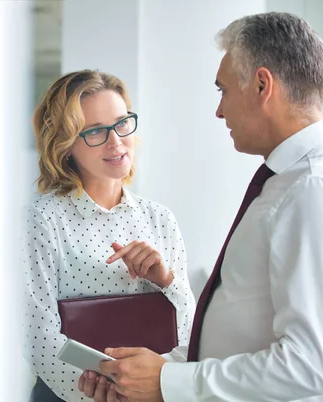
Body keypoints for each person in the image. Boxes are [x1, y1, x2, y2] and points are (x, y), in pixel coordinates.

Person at [79, 12, 323, 402]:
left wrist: (168, 383)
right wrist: (148, 376)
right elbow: (243, 332)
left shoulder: (311, 188)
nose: (219, 111)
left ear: (262, 85)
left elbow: (311, 367)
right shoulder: (286, 182)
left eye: (223, 91)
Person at [23, 69, 196, 402]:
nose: (115, 141)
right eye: (95, 132)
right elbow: (38, 338)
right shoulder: (41, 220)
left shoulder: (160, 219)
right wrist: (109, 393)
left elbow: (189, 326)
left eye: (121, 124)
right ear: (65, 144)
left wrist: (166, 280)